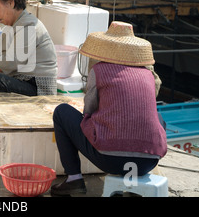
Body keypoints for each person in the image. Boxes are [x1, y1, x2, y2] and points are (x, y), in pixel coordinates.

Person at [51, 21, 167, 196]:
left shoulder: (99, 70)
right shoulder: (148, 75)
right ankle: (134, 181)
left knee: (62, 112)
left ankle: (74, 178)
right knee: (157, 116)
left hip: (110, 159)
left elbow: (88, 110)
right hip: (149, 161)